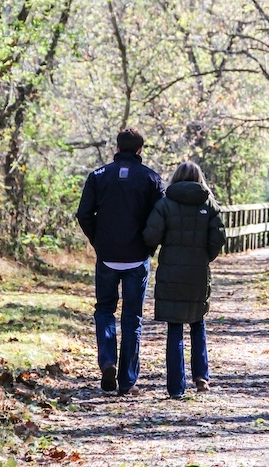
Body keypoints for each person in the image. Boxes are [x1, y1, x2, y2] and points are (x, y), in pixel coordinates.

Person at [76, 129, 164, 397]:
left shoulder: (99, 176)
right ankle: (127, 381)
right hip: (137, 259)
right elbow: (158, 220)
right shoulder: (151, 178)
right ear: (140, 150)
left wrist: (98, 241)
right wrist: (149, 246)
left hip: (107, 257)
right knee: (132, 318)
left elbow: (83, 214)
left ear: (117, 147)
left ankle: (107, 361)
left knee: (104, 310)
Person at [143, 161, 226, 399]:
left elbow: (151, 236)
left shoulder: (165, 204)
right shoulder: (209, 204)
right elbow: (219, 236)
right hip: (198, 271)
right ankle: (201, 376)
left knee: (175, 327)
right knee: (198, 322)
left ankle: (176, 387)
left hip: (171, 272)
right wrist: (206, 256)